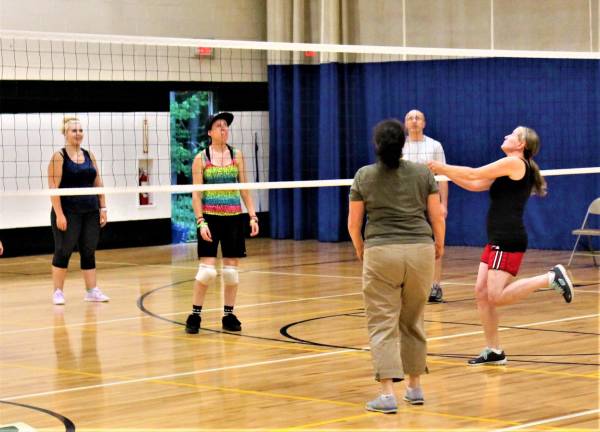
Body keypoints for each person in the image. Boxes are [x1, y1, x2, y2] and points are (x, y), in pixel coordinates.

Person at [427, 126, 574, 365]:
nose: (505, 136)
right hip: (497, 238)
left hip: (508, 239)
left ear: (521, 144)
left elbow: (474, 173)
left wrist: (440, 167)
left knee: (495, 296)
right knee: (482, 294)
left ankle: (549, 278)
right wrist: (444, 174)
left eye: (512, 135)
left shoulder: (515, 163)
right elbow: (475, 184)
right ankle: (494, 350)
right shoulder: (509, 167)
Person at [348, 119, 445, 414]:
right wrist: (438, 244)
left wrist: (360, 248)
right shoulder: (422, 174)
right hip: (420, 251)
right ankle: (414, 389)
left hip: (381, 252)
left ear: (377, 146)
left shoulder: (364, 175)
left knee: (382, 322)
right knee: (413, 319)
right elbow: (437, 215)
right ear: (403, 143)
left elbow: (354, 223)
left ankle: (387, 394)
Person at [185, 112, 259, 334]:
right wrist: (201, 222)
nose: (223, 129)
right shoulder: (201, 158)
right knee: (207, 272)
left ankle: (228, 314)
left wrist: (252, 216)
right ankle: (195, 315)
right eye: (219, 126)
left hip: (234, 219)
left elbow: (244, 188)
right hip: (210, 218)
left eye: (225, 126)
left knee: (231, 273)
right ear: (210, 133)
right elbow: (196, 195)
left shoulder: (236, 155)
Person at [47, 117, 110, 305]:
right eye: (74, 131)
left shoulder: (89, 155)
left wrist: (103, 207)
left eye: (81, 130)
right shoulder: (59, 156)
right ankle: (58, 292)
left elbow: (98, 182)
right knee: (63, 250)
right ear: (65, 134)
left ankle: (92, 291)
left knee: (89, 250)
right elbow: (53, 188)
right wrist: (59, 214)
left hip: (90, 210)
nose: (78, 133)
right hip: (68, 211)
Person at [404, 109, 448, 303]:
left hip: (429, 199)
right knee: (406, 244)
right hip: (404, 202)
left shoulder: (434, 145)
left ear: (424, 123)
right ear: (405, 124)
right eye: (410, 118)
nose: (414, 121)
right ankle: (407, 285)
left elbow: (443, 177)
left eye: (418, 118)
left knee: (435, 242)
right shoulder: (399, 146)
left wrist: (443, 203)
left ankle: (434, 286)